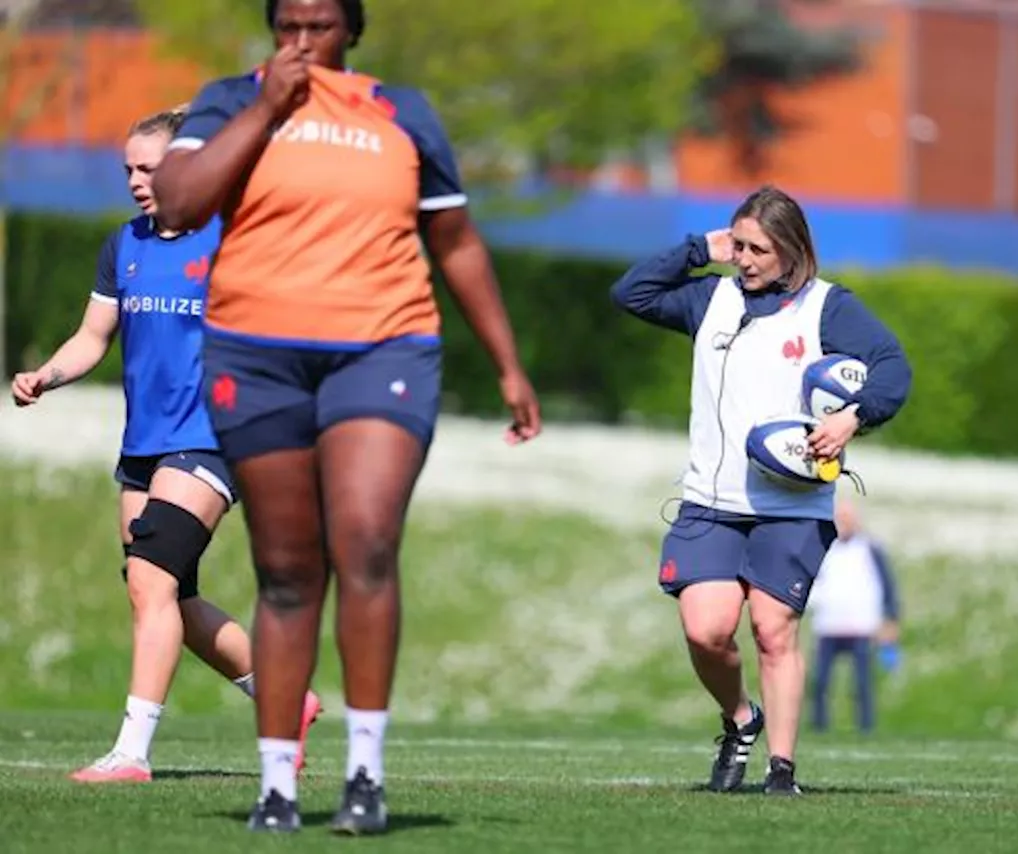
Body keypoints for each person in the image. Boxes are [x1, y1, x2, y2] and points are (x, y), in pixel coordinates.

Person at [151, 0, 541, 834]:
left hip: (383, 349)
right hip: (256, 355)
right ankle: (278, 786)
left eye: (320, 25)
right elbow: (177, 204)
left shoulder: (402, 113)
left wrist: (507, 363)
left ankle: (365, 775)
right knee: (288, 568)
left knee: (364, 538)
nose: (303, 41)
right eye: (288, 24)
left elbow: (458, 241)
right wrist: (266, 108)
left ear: (351, 30)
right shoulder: (230, 100)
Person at [9, 105, 321, 784]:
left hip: (212, 439)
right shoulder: (125, 244)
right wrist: (47, 375)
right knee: (165, 596)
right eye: (128, 169)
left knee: (152, 580)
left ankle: (131, 754)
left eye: (148, 167)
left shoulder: (234, 239)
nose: (135, 181)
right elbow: (93, 337)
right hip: (143, 447)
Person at [610, 185, 911, 795]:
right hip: (710, 502)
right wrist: (701, 248)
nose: (744, 259)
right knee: (706, 630)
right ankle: (741, 719)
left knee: (774, 631)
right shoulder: (709, 299)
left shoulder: (826, 308)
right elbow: (631, 293)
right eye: (738, 245)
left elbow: (892, 367)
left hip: (792, 506)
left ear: (792, 250)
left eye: (758, 249)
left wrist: (853, 417)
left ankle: (782, 770)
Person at [807, 498, 901, 735]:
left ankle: (865, 729)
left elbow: (887, 586)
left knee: (862, 685)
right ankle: (819, 728)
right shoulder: (823, 548)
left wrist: (890, 620)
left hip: (862, 627)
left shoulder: (871, 549)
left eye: (848, 518)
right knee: (820, 683)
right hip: (828, 627)